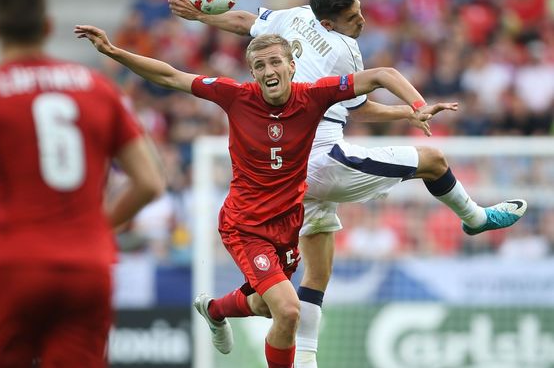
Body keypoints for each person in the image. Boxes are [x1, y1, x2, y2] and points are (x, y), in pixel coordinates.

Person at [168, 0, 527, 367]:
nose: (362, 21)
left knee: (315, 273)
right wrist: (412, 108)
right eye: (352, 17)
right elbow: (360, 107)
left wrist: (202, 15)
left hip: (290, 176)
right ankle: (474, 218)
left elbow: (246, 22)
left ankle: (262, 335)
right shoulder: (345, 49)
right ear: (328, 23)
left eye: (359, 11)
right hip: (324, 161)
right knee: (433, 160)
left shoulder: (294, 16)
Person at [74, 23, 444, 368]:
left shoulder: (315, 96)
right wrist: (114, 51)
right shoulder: (235, 96)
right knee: (288, 310)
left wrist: (415, 105)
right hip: (245, 226)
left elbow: (382, 75)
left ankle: (216, 310)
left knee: (268, 308)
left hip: (287, 224)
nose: (269, 70)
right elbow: (171, 75)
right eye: (260, 65)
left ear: (291, 66)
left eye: (275, 62)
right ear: (252, 73)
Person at [0, 0, 164, 367]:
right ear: (48, 27)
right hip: (89, 270)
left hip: (15, 264)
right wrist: (96, 229)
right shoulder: (98, 88)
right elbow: (150, 181)